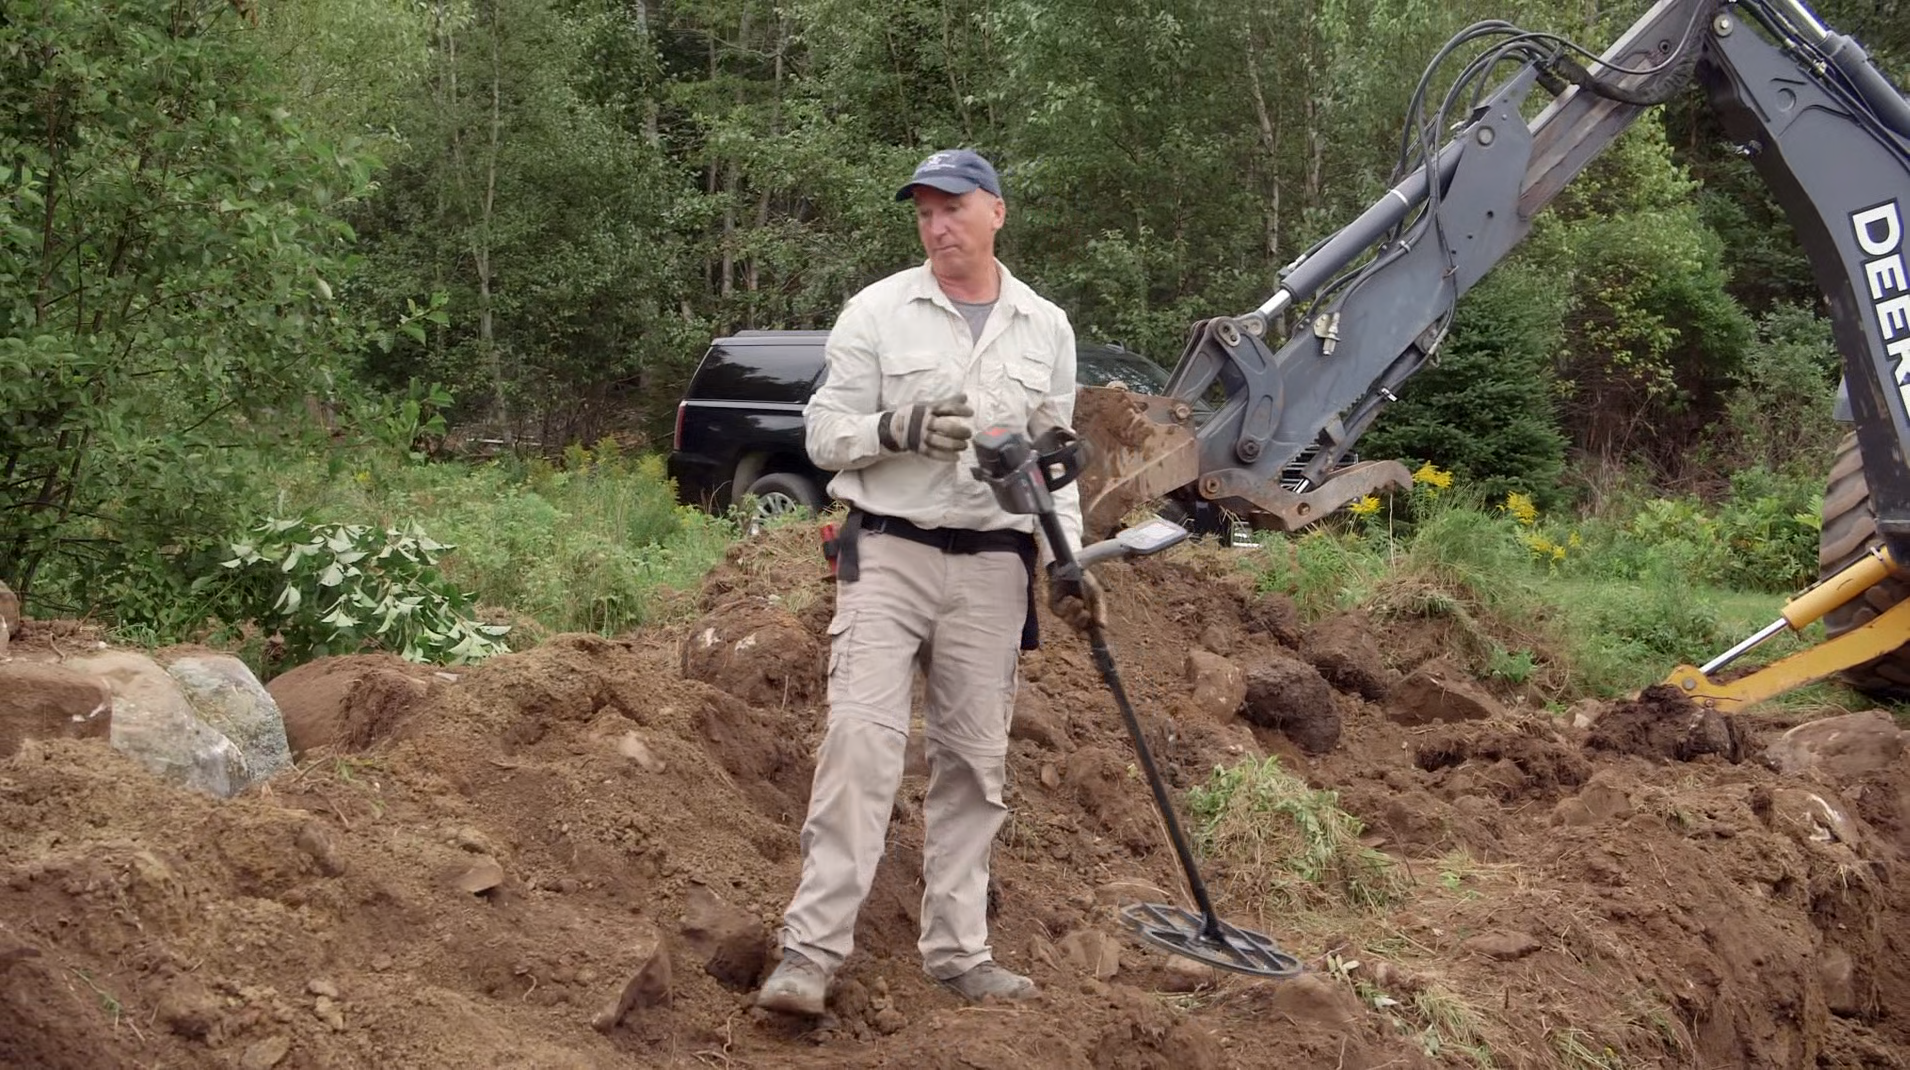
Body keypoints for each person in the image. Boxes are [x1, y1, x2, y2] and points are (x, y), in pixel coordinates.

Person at [754, 148, 1106, 1016]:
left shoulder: (1045, 327)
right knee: (861, 744)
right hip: (886, 550)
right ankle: (809, 955)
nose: (937, 225)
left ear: (996, 211)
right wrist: (897, 428)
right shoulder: (877, 311)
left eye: (952, 207)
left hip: (993, 563)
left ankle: (958, 954)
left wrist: (1068, 560)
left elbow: (1053, 460)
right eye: (924, 212)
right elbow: (824, 434)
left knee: (975, 765)